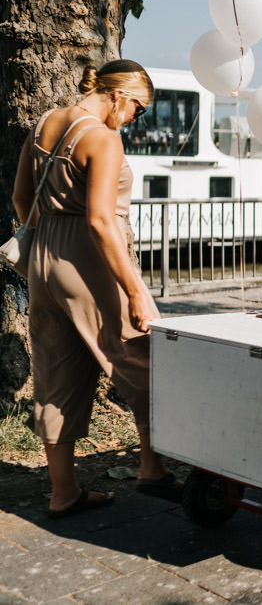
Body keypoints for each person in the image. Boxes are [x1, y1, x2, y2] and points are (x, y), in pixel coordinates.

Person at [11, 59, 178, 518]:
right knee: (142, 355)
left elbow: (20, 199)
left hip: (43, 260)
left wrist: (47, 239)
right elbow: (102, 222)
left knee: (55, 371)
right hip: (90, 259)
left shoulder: (44, 122)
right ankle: (152, 467)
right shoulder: (101, 140)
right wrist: (137, 292)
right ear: (120, 95)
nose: (134, 119)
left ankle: (63, 491)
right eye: (138, 109)